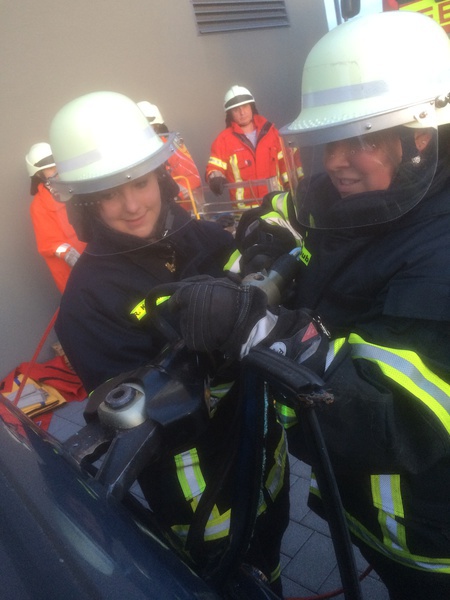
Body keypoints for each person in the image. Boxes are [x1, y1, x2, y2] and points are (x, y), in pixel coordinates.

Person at [163, 11, 450, 600]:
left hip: (424, 538)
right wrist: (269, 234)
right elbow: (299, 209)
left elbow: (397, 420)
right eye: (328, 141)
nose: (336, 161)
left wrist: (258, 331)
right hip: (360, 507)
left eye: (360, 140)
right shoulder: (370, 191)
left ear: (419, 137)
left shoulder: (439, 252)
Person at [49, 91, 289, 596]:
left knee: (271, 566)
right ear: (86, 203)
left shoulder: (208, 238)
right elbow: (137, 412)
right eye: (110, 194)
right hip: (195, 494)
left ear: (160, 176)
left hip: (264, 454)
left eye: (139, 183)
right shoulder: (87, 302)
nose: (133, 205)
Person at [205, 85, 291, 210]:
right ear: (230, 114)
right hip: (245, 212)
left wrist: (292, 187)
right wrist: (215, 178)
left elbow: (285, 164)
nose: (242, 112)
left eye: (245, 106)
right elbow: (214, 167)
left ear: (252, 107)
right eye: (236, 110)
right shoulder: (223, 140)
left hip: (276, 205)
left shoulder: (271, 133)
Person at [25, 142, 86, 293]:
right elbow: (48, 242)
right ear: (39, 174)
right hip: (72, 272)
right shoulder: (38, 206)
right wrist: (69, 254)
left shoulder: (74, 189)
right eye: (50, 168)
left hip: (96, 254)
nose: (56, 170)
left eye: (56, 165)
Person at [137, 100, 203, 216]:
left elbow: (193, 177)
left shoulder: (170, 147)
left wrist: (174, 193)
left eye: (148, 128)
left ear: (156, 126)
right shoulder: (129, 154)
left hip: (178, 212)